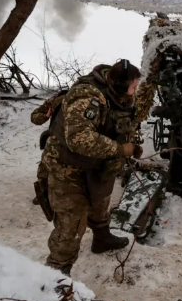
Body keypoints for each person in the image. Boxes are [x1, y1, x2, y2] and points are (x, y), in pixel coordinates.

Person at [43, 59, 144, 276]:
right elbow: (78, 138)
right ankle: (56, 273)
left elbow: (122, 122)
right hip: (67, 166)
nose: (135, 90)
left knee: (100, 202)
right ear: (119, 85)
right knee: (72, 223)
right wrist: (120, 149)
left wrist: (131, 144)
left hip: (97, 163)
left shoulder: (119, 96)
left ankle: (101, 238)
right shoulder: (87, 96)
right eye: (133, 86)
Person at [31, 90, 68, 217]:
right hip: (56, 141)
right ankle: (44, 194)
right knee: (45, 169)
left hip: (81, 143)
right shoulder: (58, 98)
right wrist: (46, 115)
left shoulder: (95, 98)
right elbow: (35, 117)